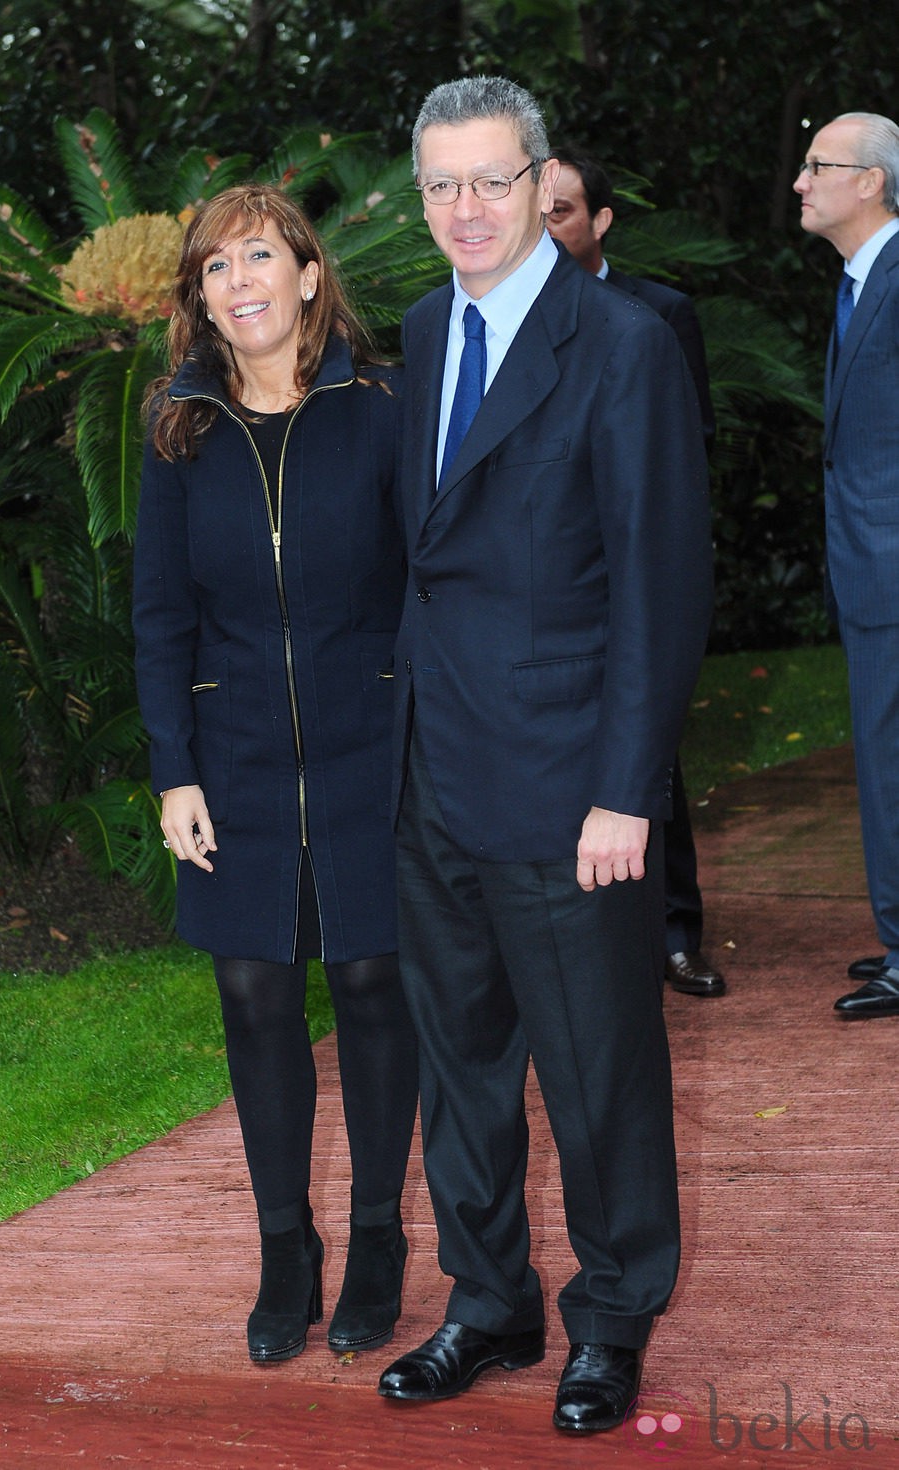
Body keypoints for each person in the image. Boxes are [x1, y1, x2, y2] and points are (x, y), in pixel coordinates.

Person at [376, 77, 713, 1436]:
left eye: (493, 182)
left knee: (601, 1071)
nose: (467, 209)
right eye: (442, 186)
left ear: (541, 184)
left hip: (573, 785)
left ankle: (615, 1313)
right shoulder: (417, 331)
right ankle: (489, 1299)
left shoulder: (621, 344)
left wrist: (626, 787)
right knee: (458, 1065)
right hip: (433, 776)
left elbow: (662, 582)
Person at [132, 183, 418, 1363]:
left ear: (309, 275)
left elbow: (425, 582)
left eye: (261, 255)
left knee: (367, 984)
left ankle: (377, 1239)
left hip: (371, 744)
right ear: (197, 300)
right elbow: (158, 614)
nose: (239, 280)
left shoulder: (385, 408)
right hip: (235, 751)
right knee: (252, 994)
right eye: (214, 267)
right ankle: (283, 1249)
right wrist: (173, 770)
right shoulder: (177, 426)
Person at [546, 146, 724, 999]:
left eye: (566, 211)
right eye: (541, 211)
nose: (550, 227)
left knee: (651, 760)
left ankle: (677, 931)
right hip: (559, 591)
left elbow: (685, 452)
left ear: (602, 220)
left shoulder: (659, 315)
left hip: (637, 578)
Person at [793, 112, 899, 1019]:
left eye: (818, 166)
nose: (800, 182)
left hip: (893, 568)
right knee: (884, 756)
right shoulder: (864, 282)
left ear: (870, 181)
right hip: (871, 569)